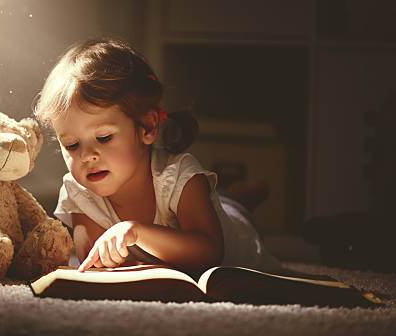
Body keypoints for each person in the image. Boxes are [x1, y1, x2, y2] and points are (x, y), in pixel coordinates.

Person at [33, 38, 279, 275]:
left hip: (238, 236)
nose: (86, 156)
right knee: (225, 202)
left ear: (148, 128)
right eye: (72, 145)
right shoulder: (80, 192)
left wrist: (138, 232)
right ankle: (233, 196)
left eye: (104, 137)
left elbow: (209, 251)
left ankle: (242, 198)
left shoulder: (180, 176)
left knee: (235, 213)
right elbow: (94, 264)